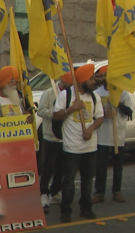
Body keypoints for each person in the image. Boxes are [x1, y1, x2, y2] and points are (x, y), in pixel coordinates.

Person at [53, 64, 105, 222]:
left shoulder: (95, 97)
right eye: (90, 78)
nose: (93, 81)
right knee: (69, 181)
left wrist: (91, 129)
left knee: (88, 180)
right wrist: (72, 108)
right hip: (72, 148)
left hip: (90, 146)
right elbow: (56, 116)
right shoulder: (67, 95)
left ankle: (86, 208)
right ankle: (66, 211)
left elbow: (100, 117)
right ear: (82, 80)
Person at [92, 65, 133, 203]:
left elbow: (130, 111)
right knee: (101, 166)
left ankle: (117, 191)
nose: (103, 79)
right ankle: (99, 192)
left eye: (105, 76)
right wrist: (104, 115)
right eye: (101, 76)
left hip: (118, 135)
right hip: (102, 135)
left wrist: (118, 104)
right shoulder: (97, 93)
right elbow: (92, 114)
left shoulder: (123, 92)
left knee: (118, 166)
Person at [37, 73, 70, 210]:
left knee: (61, 167)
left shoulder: (71, 94)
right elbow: (41, 111)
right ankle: (43, 192)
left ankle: (56, 191)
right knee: (48, 166)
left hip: (66, 136)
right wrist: (55, 114)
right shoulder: (50, 92)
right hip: (51, 135)